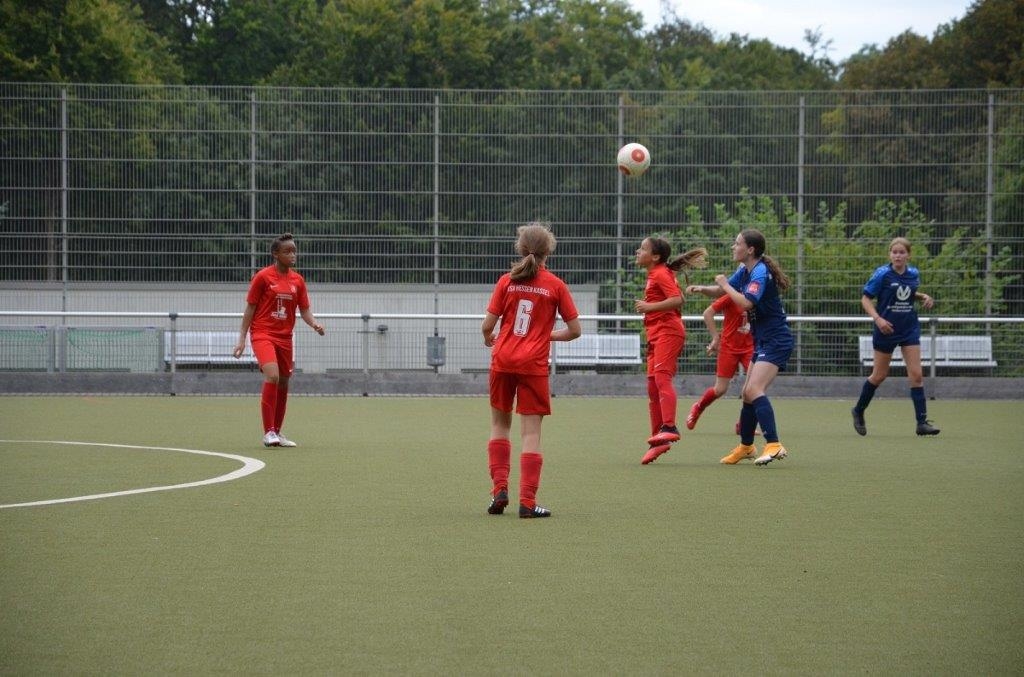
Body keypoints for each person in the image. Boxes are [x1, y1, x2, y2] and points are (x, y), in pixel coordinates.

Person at [481, 222, 582, 519]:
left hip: (503, 360)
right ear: (548, 251)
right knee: (531, 434)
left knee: (500, 425)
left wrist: (488, 337)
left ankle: (499, 490)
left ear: (520, 248)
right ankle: (527, 501)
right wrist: (545, 336)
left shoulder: (507, 281)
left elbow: (488, 325)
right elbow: (575, 330)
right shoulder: (555, 285)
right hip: (533, 365)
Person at [710, 229, 794, 466]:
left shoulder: (759, 272)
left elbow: (746, 303)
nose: (733, 247)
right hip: (763, 340)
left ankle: (774, 444)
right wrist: (700, 289)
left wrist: (724, 285)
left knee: (755, 389)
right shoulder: (745, 270)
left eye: (737, 243)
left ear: (750, 250)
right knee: (747, 393)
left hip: (776, 340)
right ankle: (746, 447)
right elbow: (722, 290)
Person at [233, 232, 324, 447]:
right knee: (272, 376)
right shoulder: (263, 277)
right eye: (287, 251)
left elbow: (305, 310)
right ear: (276, 254)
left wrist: (314, 324)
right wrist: (242, 338)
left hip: (285, 338)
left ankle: (277, 432)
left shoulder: (298, 280)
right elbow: (250, 308)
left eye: (294, 251)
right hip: (263, 334)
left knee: (283, 381)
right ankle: (268, 433)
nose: (292, 255)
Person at [851, 237, 940, 436]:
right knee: (879, 375)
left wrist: (923, 296)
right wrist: (878, 319)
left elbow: (906, 292)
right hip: (886, 329)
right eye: (894, 252)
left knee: (916, 375)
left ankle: (922, 423)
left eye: (902, 252)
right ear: (890, 255)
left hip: (908, 329)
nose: (898, 256)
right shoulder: (882, 274)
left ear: (908, 255)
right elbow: (865, 299)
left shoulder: (913, 274)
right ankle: (858, 410)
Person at [635, 236, 707, 465]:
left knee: (662, 379)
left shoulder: (659, 273)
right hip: (656, 334)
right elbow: (679, 296)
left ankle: (669, 427)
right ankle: (658, 440)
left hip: (668, 332)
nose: (638, 251)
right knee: (652, 386)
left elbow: (677, 300)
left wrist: (649, 307)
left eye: (642, 249)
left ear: (655, 256)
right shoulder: (657, 273)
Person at [683, 283, 754, 432]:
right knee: (720, 389)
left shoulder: (758, 296)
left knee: (755, 388)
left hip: (750, 348)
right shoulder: (732, 296)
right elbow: (708, 313)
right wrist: (716, 338)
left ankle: (744, 425)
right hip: (728, 347)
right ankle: (698, 407)